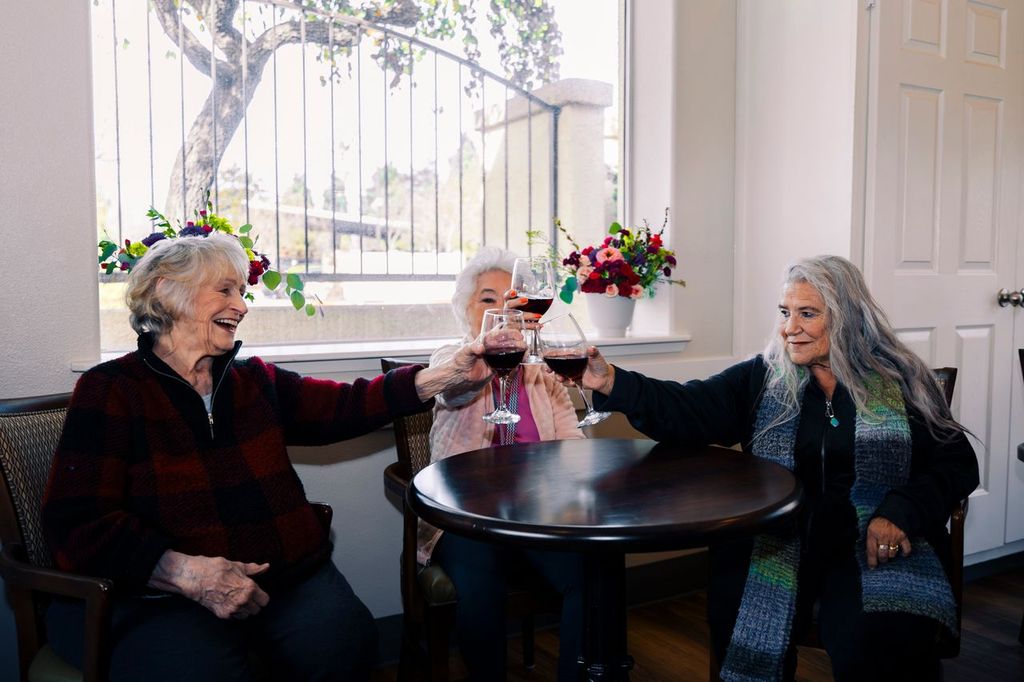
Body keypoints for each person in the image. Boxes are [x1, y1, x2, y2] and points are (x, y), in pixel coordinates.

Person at [41, 232, 489, 682]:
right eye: (225, 290)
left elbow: (345, 405)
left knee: (348, 644)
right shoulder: (111, 390)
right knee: (204, 673)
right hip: (161, 596)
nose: (242, 305)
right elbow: (76, 521)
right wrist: (183, 571)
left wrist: (446, 375)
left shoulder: (253, 381)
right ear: (166, 291)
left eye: (242, 291)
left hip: (284, 579)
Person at [577, 255, 979, 682]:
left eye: (808, 314)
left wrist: (900, 513)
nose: (790, 328)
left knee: (875, 637)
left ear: (847, 318)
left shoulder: (900, 380)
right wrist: (612, 382)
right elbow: (689, 406)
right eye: (786, 313)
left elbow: (956, 462)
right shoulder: (763, 377)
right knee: (738, 610)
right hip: (777, 537)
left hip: (869, 541)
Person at [422, 246, 585, 681]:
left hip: (538, 513)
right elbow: (450, 390)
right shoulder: (451, 359)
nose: (500, 310)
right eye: (487, 299)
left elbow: (572, 441)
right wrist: (477, 358)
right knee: (481, 585)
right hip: (466, 516)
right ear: (466, 310)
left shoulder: (540, 371)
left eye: (508, 300)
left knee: (591, 572)